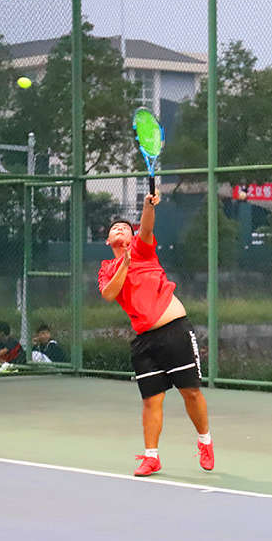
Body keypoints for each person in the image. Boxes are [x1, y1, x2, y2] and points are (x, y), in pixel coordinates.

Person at [98, 193, 213, 476]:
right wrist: (124, 265)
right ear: (108, 241)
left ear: (133, 236)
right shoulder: (106, 269)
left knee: (190, 392)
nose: (120, 229)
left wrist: (148, 205)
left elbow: (147, 226)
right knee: (151, 400)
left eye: (125, 227)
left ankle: (205, 441)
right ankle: (151, 457)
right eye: (115, 228)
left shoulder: (143, 248)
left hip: (175, 331)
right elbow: (109, 294)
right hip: (144, 341)